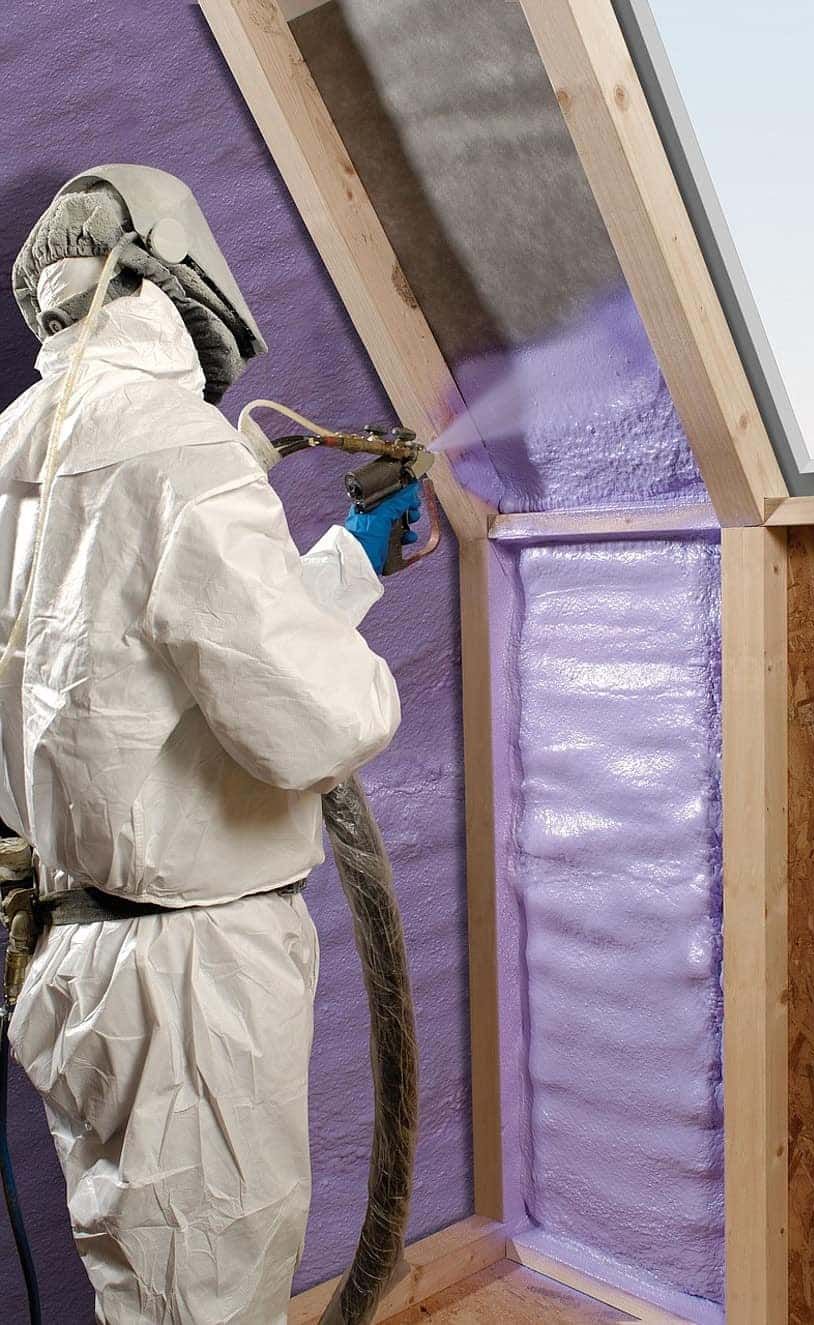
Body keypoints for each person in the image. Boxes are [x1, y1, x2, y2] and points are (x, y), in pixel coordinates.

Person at [0, 165, 418, 1324]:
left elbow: (146, 672)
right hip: (190, 978)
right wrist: (353, 662)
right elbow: (314, 718)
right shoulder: (177, 447)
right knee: (211, 1289)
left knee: (135, 1277)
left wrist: (348, 564)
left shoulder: (11, 453)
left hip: (69, 961)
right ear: (173, 273)